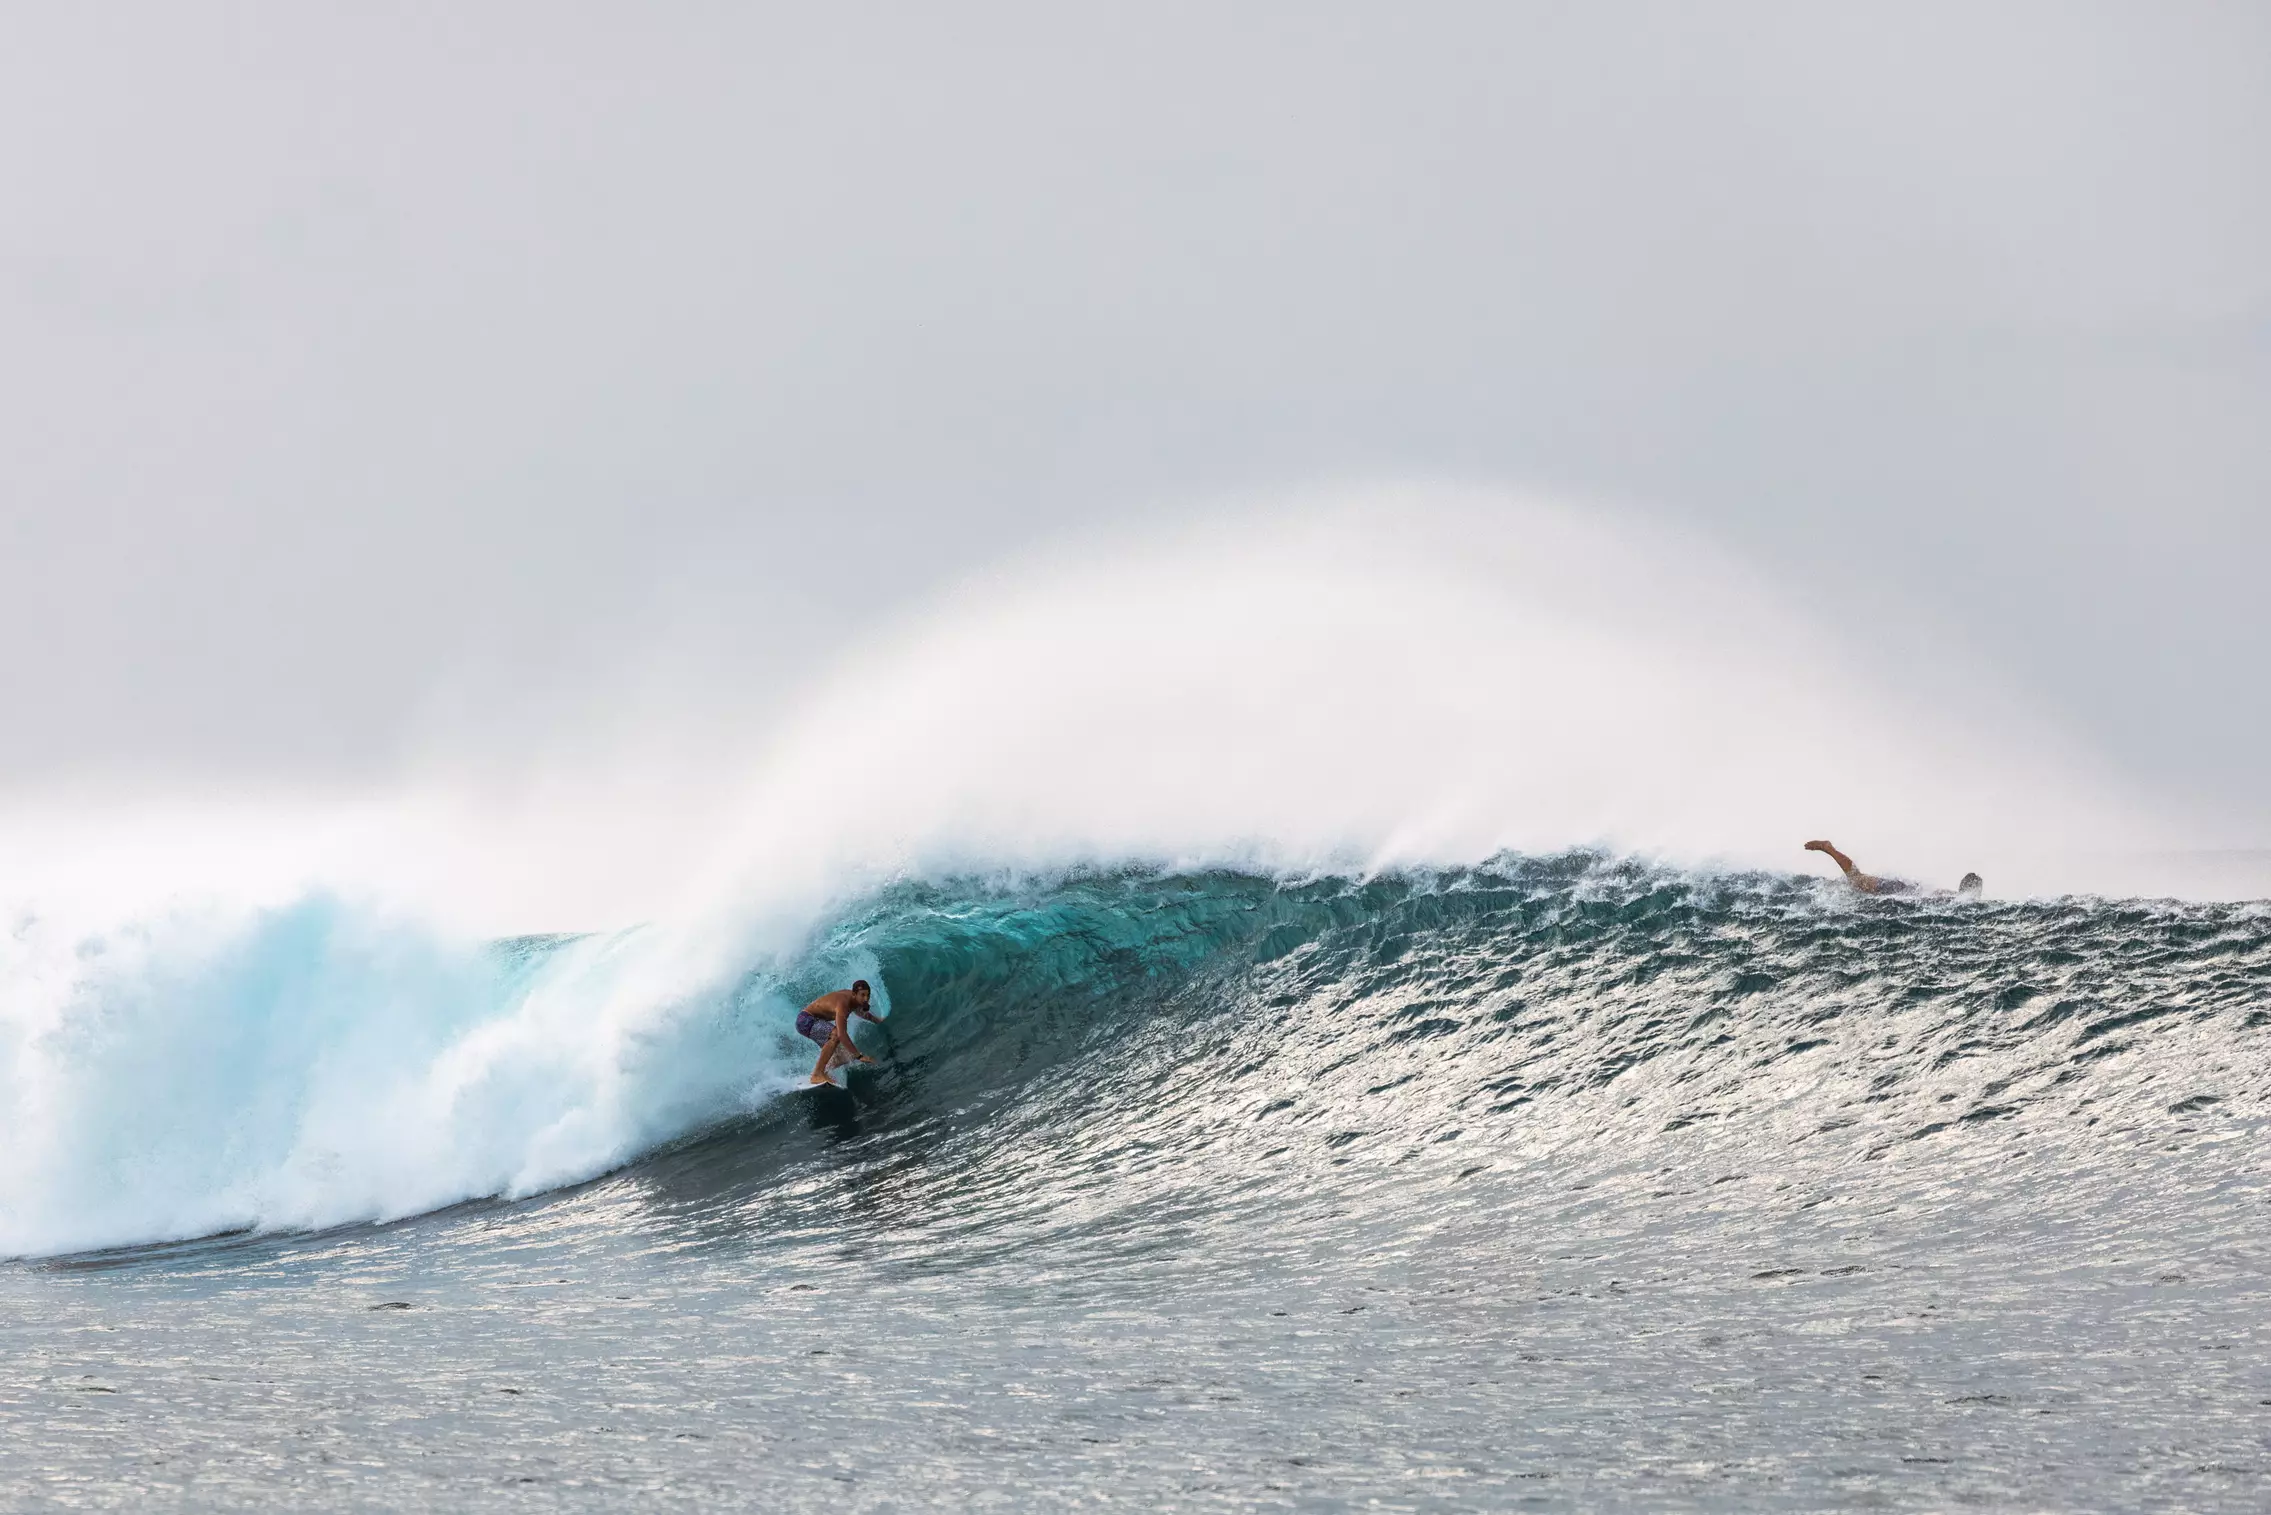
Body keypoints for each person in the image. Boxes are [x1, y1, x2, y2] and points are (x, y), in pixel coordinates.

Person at [1804, 841, 1983, 898]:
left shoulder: (1953, 896)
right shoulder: (1955, 899)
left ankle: (1829, 849)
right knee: (1856, 880)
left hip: (1904, 892)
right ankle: (1828, 848)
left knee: (1857, 880)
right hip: (1899, 891)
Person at [796, 980, 881, 1085]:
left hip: (816, 1022)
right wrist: (859, 1056)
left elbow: (860, 1012)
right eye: (863, 995)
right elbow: (841, 1034)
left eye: (868, 995)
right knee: (835, 1035)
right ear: (854, 994)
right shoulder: (843, 1004)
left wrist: (877, 1020)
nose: (866, 999)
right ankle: (817, 1074)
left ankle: (824, 1071)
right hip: (805, 1020)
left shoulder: (854, 999)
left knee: (845, 1057)